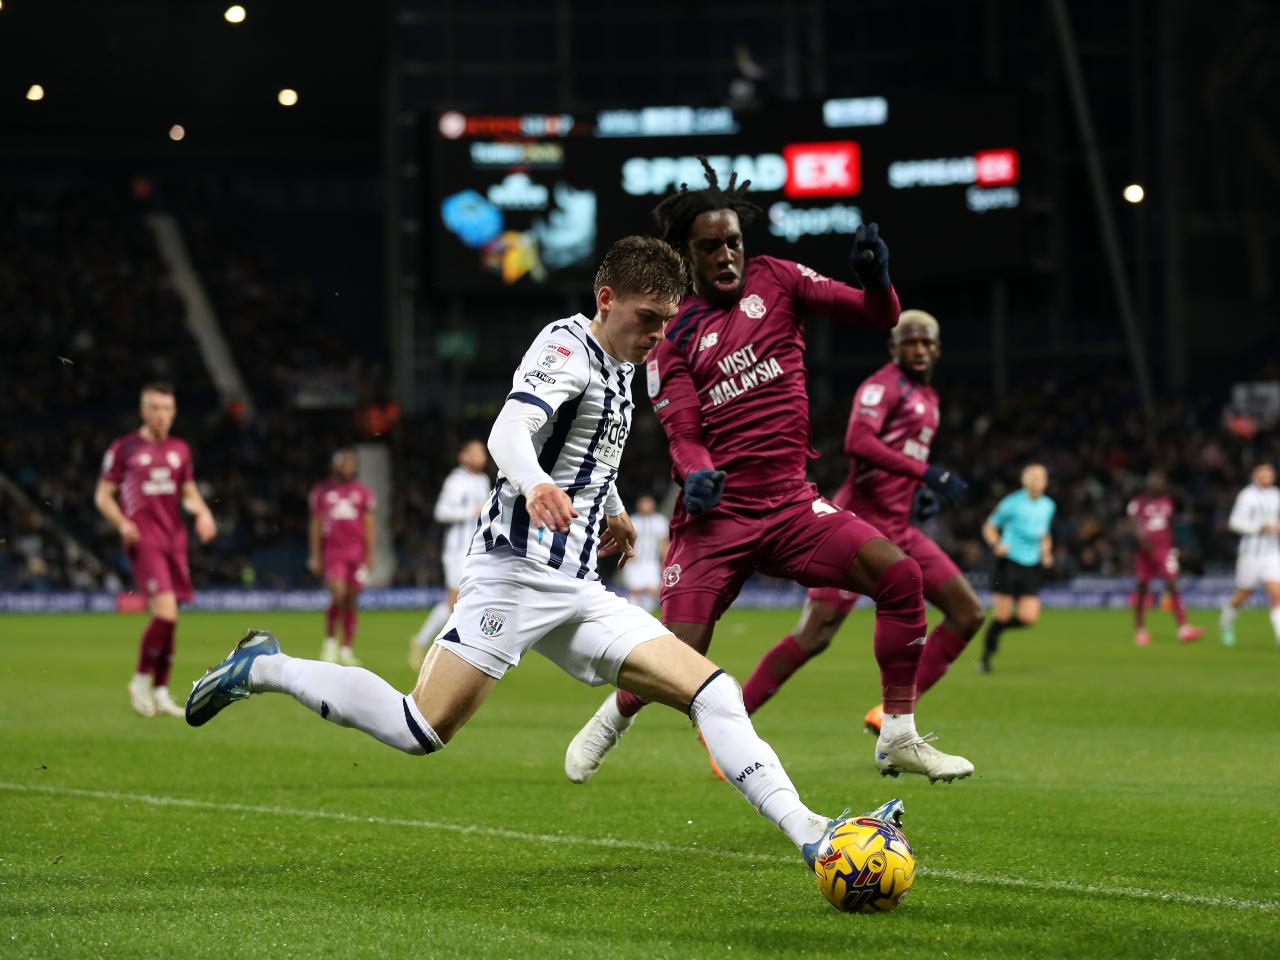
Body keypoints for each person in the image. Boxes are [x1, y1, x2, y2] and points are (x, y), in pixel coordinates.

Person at [185, 236, 900, 893]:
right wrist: (537, 485)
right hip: (513, 573)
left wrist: (612, 506)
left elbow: (585, 446)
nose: (658, 334)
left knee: (713, 692)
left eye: (667, 320)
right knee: (420, 729)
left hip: (578, 587)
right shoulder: (565, 347)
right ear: (606, 300)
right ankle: (264, 666)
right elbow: (511, 430)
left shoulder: (623, 365)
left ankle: (811, 835)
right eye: (648, 318)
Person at [564, 159, 973, 785]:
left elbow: (877, 315)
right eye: (710, 247)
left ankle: (898, 734)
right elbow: (684, 433)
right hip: (715, 519)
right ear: (686, 255)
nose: (726, 254)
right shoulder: (673, 334)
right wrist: (696, 475)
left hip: (790, 505)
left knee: (900, 578)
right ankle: (614, 715)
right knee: (679, 657)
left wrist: (878, 278)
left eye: (733, 241)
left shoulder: (779, 280)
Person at [738, 310, 984, 735]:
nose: (920, 350)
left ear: (939, 350)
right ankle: (729, 725)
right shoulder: (881, 386)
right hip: (856, 529)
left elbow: (902, 456)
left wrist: (918, 491)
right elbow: (859, 441)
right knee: (815, 634)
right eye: (911, 342)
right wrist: (925, 475)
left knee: (967, 613)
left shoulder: (929, 398)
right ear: (893, 347)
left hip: (901, 528)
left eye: (927, 343)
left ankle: (891, 714)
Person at [94, 382, 217, 717]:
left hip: (174, 540)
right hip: (143, 539)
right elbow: (102, 495)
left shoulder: (180, 449)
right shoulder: (125, 448)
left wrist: (204, 512)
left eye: (167, 408)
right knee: (164, 612)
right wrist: (121, 522)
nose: (161, 415)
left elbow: (188, 491)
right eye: (155, 408)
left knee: (172, 618)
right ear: (143, 411)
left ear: (174, 412)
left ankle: (161, 690)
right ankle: (139, 681)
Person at [409, 440, 492, 670]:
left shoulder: (483, 480)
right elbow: (441, 512)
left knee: (469, 599)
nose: (479, 456)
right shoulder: (456, 481)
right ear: (462, 456)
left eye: (482, 452)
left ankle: (444, 645)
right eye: (474, 451)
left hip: (476, 548)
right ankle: (429, 643)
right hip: (457, 549)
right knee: (454, 601)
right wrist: (471, 512)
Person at [979, 463, 1056, 672]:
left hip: (1031, 564)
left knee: (1028, 618)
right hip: (1008, 561)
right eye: (1033, 477)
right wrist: (996, 544)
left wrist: (1046, 551)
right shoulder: (1011, 503)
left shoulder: (1048, 505)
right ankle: (986, 656)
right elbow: (989, 527)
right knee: (1002, 615)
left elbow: (1044, 534)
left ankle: (998, 632)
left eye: (1041, 477)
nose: (1037, 481)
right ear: (1024, 480)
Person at [308, 449, 375, 665]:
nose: (348, 467)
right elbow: (316, 524)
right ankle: (329, 642)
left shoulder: (362, 492)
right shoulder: (322, 491)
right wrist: (315, 555)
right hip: (333, 552)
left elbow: (369, 525)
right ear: (335, 466)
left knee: (351, 599)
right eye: (344, 464)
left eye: (351, 464)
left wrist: (369, 555)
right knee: (338, 593)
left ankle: (346, 648)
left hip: (356, 553)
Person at [1126, 470, 1204, 646]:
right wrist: (1143, 542)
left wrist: (1172, 548)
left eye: (1160, 481)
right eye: (1154, 480)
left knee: (1172, 585)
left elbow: (1169, 526)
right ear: (1148, 483)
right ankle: (1140, 629)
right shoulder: (1138, 502)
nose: (1158, 484)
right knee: (1143, 588)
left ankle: (1183, 628)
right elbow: (1133, 525)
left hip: (1164, 551)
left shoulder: (1167, 501)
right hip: (1144, 552)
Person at [1219, 463, 1280, 647]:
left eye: (1269, 474)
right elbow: (1235, 522)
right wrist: (1259, 528)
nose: (1266, 477)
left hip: (1272, 552)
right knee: (1244, 594)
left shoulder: (1276, 495)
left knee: (1277, 595)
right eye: (1262, 474)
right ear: (1255, 476)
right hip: (1250, 554)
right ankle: (1225, 622)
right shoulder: (1247, 496)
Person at [623, 494, 668, 611]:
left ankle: (646, 614)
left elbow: (664, 543)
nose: (645, 506)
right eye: (643, 503)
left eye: (648, 503)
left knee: (653, 590)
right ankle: (632, 613)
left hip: (651, 561)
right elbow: (625, 540)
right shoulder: (633, 520)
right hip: (635, 561)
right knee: (635, 590)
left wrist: (664, 561)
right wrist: (629, 553)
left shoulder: (660, 521)